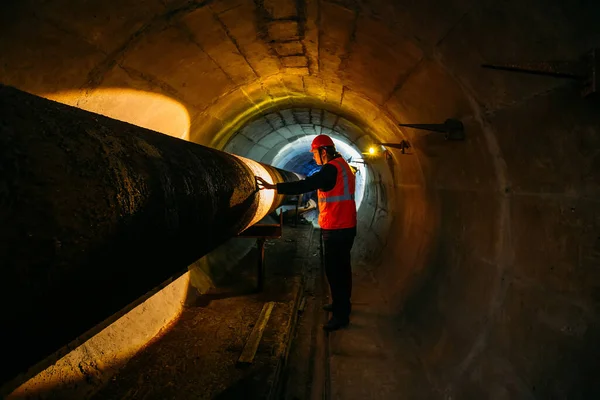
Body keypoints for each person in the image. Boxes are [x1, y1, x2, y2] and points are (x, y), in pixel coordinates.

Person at [256, 134, 356, 332]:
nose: (314, 158)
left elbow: (305, 184)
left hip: (336, 228)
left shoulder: (330, 169)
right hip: (345, 226)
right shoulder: (343, 165)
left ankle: (341, 316)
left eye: (315, 153)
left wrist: (274, 186)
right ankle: (341, 306)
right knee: (341, 270)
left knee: (336, 272)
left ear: (324, 151)